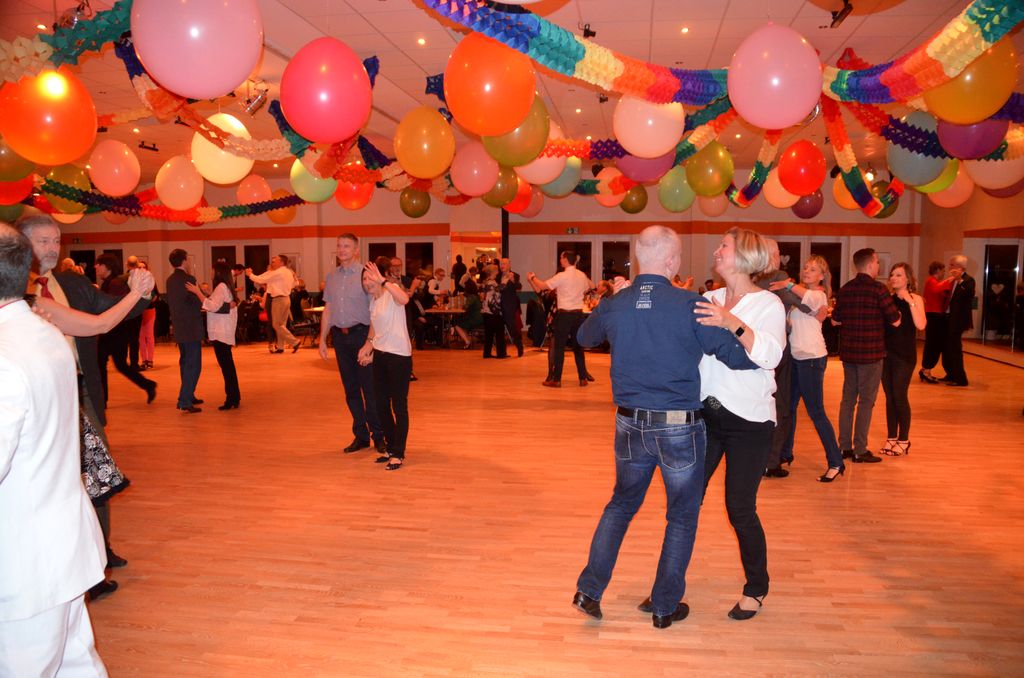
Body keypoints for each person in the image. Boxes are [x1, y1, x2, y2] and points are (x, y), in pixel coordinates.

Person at [572, 226, 757, 629]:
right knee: (682, 517)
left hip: (629, 423)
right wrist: (737, 327)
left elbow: (584, 337)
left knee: (620, 506)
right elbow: (740, 358)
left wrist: (609, 302)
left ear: (640, 258)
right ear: (672, 261)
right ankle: (664, 606)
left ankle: (589, 590)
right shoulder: (691, 305)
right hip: (678, 429)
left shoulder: (617, 303)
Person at [0, 224, 109, 677]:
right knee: (75, 664)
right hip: (60, 542)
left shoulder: (5, 355)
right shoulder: (41, 332)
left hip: (26, 561)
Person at [693, 227, 786, 621]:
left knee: (739, 508)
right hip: (706, 415)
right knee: (685, 501)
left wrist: (729, 321)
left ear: (745, 256)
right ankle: (668, 584)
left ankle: (756, 587)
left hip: (749, 420)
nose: (717, 251)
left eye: (724, 246)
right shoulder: (708, 298)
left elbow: (770, 356)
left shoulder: (768, 304)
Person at [770, 256, 846, 482]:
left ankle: (836, 462)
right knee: (789, 409)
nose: (806, 271)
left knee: (816, 412)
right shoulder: (799, 296)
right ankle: (786, 453)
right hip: (796, 358)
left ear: (822, 276)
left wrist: (787, 284)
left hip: (812, 359)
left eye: (813, 269)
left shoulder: (819, 295)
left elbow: (808, 298)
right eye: (805, 268)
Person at [832, 248, 902, 463]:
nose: (879, 265)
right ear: (871, 264)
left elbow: (835, 320)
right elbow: (895, 320)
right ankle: (860, 449)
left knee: (847, 401)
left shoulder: (845, 289)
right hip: (871, 354)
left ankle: (844, 447)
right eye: (877, 262)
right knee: (866, 401)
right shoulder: (879, 289)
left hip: (849, 353)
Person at [757, 238, 817, 479]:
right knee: (780, 404)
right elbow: (805, 305)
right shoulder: (778, 276)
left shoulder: (751, 277)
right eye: (778, 253)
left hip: (755, 347)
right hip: (779, 350)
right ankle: (772, 461)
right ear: (773, 255)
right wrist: (816, 298)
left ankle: (759, 458)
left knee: (760, 402)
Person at [319, 234, 384, 454]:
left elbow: (376, 311)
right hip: (340, 338)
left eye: (346, 246)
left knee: (370, 389)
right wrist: (322, 339)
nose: (342, 249)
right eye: (339, 246)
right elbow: (328, 309)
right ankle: (361, 435)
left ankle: (379, 436)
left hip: (362, 335)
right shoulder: (332, 277)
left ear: (356, 250)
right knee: (351, 390)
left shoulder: (366, 275)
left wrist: (370, 343)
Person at [357, 258, 413, 470]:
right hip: (381, 355)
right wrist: (369, 346)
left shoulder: (391, 293)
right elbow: (375, 326)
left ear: (379, 277)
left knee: (399, 406)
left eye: (370, 278)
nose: (367, 282)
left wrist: (383, 281)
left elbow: (405, 299)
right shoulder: (374, 300)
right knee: (380, 405)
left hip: (399, 357)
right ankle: (391, 447)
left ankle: (398, 453)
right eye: (364, 279)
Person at [95, 253, 157, 406]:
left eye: (99, 264)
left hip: (114, 332)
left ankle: (102, 400)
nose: (96, 267)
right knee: (116, 365)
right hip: (113, 331)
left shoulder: (115, 284)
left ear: (106, 266)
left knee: (110, 364)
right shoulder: (110, 283)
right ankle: (147, 385)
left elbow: (116, 309)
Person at [881, 263, 927, 456]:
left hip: (905, 355)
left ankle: (904, 440)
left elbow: (921, 325)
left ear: (908, 278)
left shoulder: (916, 299)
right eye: (892, 274)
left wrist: (909, 300)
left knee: (899, 395)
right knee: (890, 397)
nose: (893, 278)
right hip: (886, 354)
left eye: (898, 275)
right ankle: (891, 437)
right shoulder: (887, 300)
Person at [527, 251, 592, 388]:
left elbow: (543, 286)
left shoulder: (562, 276)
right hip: (578, 315)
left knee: (559, 347)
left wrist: (533, 277)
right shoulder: (582, 275)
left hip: (565, 315)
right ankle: (582, 378)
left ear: (566, 260)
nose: (560, 260)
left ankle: (556, 380)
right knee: (578, 347)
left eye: (561, 258)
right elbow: (590, 287)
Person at [186, 261, 241, 410]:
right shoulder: (225, 286)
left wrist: (198, 292)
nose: (210, 273)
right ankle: (234, 397)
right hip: (224, 331)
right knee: (228, 366)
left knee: (226, 367)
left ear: (217, 272)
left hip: (220, 331)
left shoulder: (221, 286)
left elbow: (212, 306)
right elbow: (220, 305)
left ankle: (231, 398)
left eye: (212, 270)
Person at [166, 248, 204, 413]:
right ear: (184, 260)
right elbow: (197, 302)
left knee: (185, 362)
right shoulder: (189, 279)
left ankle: (189, 394)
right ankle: (185, 400)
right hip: (191, 326)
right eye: (187, 259)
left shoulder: (170, 280)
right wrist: (202, 293)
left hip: (179, 326)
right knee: (193, 365)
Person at [247, 254, 300, 354]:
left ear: (281, 262)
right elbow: (295, 284)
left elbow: (261, 280)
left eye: (275, 261)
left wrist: (250, 275)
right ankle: (280, 347)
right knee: (281, 324)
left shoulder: (278, 272)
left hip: (278, 299)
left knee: (276, 324)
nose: (273, 263)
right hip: (286, 298)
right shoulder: (288, 272)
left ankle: (294, 342)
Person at [940, 254, 975, 387]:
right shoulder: (952, 280)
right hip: (948, 318)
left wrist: (959, 280)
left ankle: (960, 378)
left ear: (960, 267)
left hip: (958, 320)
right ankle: (950, 374)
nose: (950, 267)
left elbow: (969, 294)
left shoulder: (968, 280)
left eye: (952, 265)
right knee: (947, 348)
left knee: (955, 349)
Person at [919, 261, 951, 383]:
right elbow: (938, 289)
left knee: (934, 344)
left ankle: (925, 369)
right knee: (932, 344)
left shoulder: (934, 282)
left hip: (936, 316)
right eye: (943, 270)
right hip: (933, 316)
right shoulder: (931, 281)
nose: (944, 273)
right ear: (937, 270)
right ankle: (926, 370)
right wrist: (952, 279)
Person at [499, 257, 524, 357]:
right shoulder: (497, 276)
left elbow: (519, 287)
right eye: (501, 263)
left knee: (512, 328)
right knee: (499, 330)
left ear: (509, 265)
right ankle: (502, 352)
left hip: (509, 306)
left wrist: (513, 280)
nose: (502, 265)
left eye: (504, 263)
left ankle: (519, 346)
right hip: (497, 306)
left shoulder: (515, 275)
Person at [480, 264, 507, 359]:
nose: (498, 272)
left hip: (486, 312)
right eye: (496, 270)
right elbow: (499, 290)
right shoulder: (491, 282)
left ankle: (487, 353)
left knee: (489, 334)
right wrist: (505, 280)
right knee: (499, 333)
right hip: (493, 312)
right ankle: (501, 354)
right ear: (492, 272)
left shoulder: (486, 282)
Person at [137, 260, 157, 370]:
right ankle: (144, 360)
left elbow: (156, 295)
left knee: (149, 335)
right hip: (138, 312)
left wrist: (147, 299)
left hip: (149, 310)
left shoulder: (151, 280)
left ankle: (150, 359)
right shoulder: (134, 281)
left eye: (144, 267)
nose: (142, 269)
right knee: (141, 337)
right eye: (139, 267)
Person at [454, 279, 483, 349]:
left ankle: (467, 341)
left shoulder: (471, 297)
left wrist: (462, 306)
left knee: (457, 325)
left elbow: (466, 307)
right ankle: (468, 340)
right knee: (461, 322)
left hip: (475, 319)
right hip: (480, 318)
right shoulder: (476, 296)